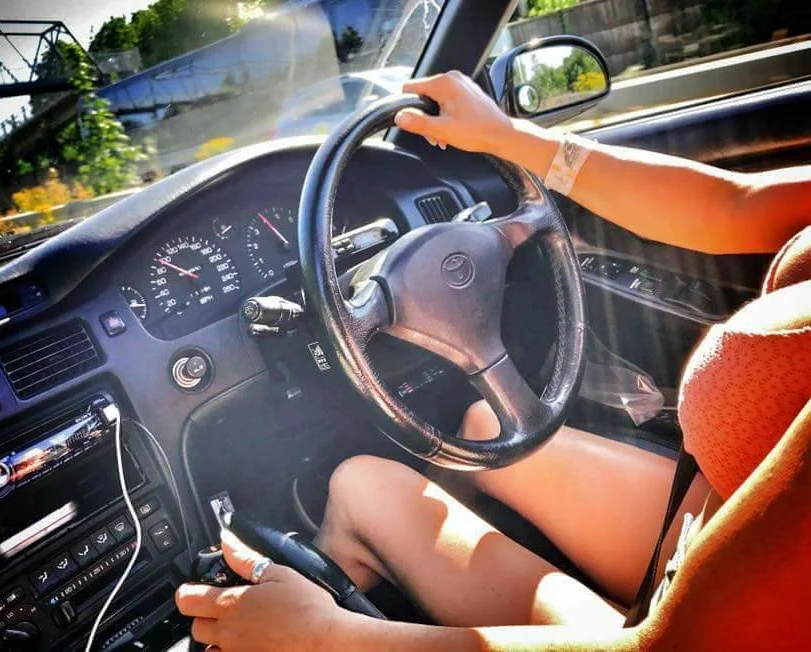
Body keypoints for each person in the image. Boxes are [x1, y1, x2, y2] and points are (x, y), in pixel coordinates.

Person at [174, 72, 811, 650]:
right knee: (483, 428)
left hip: (702, 621)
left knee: (360, 487)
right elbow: (739, 206)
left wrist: (324, 637)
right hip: (728, 521)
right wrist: (511, 138)